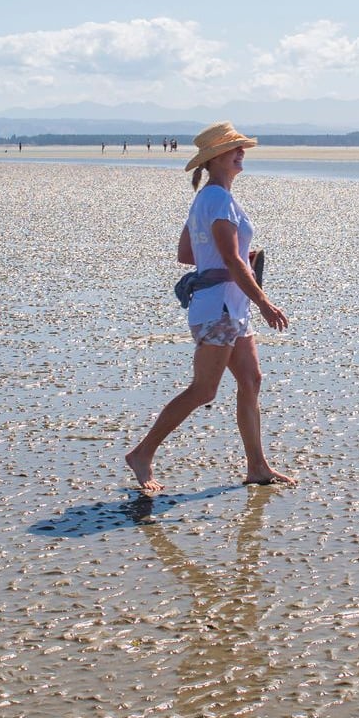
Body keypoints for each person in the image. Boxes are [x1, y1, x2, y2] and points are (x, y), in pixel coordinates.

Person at [125, 122, 293, 496]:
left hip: (230, 306)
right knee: (204, 389)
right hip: (218, 306)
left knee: (251, 381)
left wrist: (227, 260)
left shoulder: (209, 198)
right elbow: (232, 261)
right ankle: (142, 453)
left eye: (241, 148)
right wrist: (263, 300)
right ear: (215, 158)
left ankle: (257, 466)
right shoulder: (217, 199)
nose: (241, 154)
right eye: (234, 149)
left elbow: (188, 254)